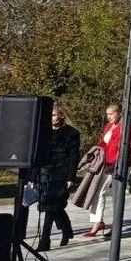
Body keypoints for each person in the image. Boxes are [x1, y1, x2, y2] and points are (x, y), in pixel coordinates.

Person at [74, 104, 131, 239]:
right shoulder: (108, 126)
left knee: (116, 196)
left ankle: (115, 226)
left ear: (119, 113)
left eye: (111, 114)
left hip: (118, 165)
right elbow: (103, 143)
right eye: (107, 114)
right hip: (105, 164)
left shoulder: (127, 128)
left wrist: (119, 163)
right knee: (98, 192)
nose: (109, 117)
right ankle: (97, 223)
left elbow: (128, 147)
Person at [36, 104, 81, 250]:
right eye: (50, 116)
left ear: (61, 116)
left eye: (54, 115)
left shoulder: (71, 133)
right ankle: (67, 229)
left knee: (51, 206)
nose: (51, 119)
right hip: (45, 172)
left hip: (60, 173)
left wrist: (70, 177)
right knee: (50, 205)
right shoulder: (44, 132)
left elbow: (74, 157)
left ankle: (45, 239)